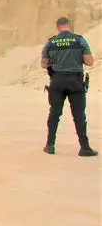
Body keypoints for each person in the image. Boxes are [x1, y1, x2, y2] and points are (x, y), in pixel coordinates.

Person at [40, 17, 97, 156]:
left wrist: (56, 61)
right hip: (75, 82)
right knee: (79, 115)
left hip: (57, 81)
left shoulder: (51, 42)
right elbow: (89, 62)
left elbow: (43, 64)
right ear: (69, 26)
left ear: (57, 27)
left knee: (54, 114)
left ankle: (50, 146)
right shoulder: (79, 40)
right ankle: (84, 148)